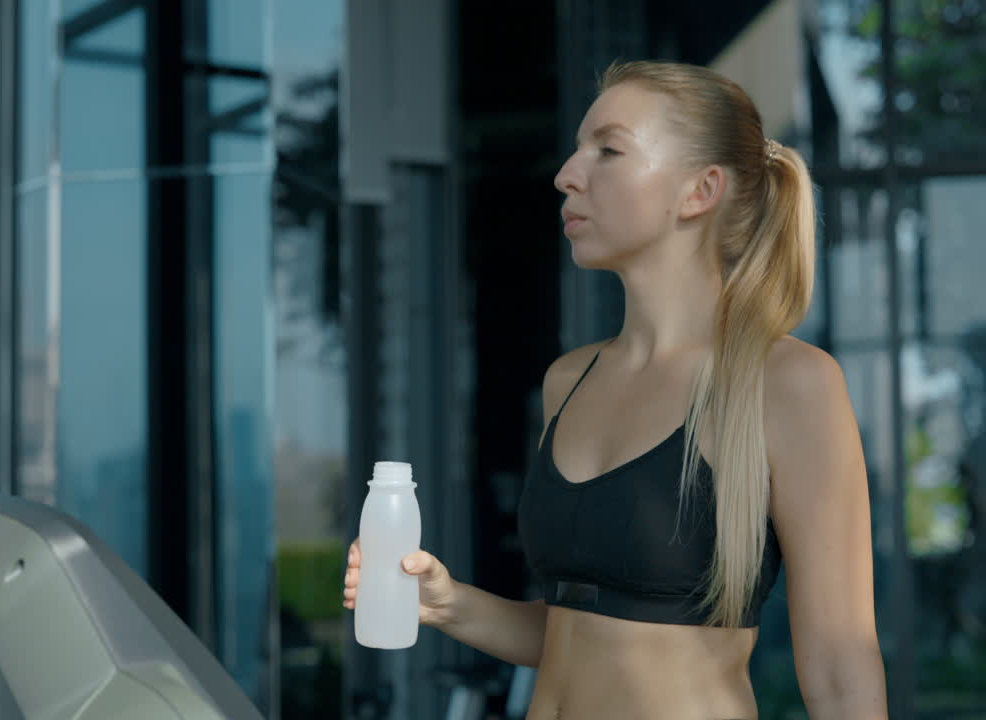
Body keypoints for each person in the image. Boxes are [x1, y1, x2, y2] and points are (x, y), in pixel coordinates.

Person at [342, 60, 888, 719]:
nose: (567, 174)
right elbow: (584, 635)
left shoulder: (787, 382)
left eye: (608, 150)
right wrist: (450, 603)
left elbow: (840, 668)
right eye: (578, 149)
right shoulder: (569, 381)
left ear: (700, 191)